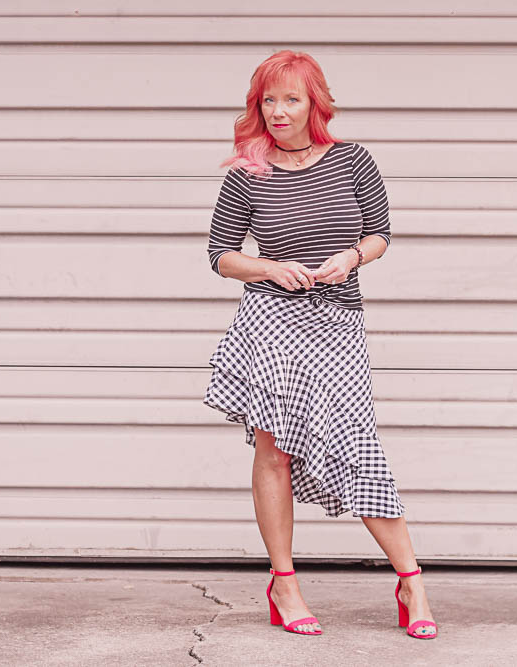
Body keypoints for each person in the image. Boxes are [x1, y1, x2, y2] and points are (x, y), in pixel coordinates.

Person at [203, 49, 438, 639]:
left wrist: (351, 256)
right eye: (268, 100)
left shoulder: (353, 161)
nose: (278, 112)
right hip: (272, 322)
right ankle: (284, 583)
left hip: (336, 321)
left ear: (315, 104)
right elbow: (221, 255)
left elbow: (379, 234)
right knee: (273, 449)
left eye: (291, 99)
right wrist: (269, 268)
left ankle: (411, 579)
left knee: (356, 444)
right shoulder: (246, 172)